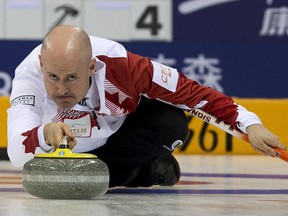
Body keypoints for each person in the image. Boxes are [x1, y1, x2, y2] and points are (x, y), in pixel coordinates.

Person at [7, 25, 286, 188]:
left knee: (171, 123)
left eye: (72, 77)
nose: (61, 89)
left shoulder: (125, 67)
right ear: (42, 66)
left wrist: (251, 125)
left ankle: (139, 170)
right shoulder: (28, 78)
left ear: (92, 67)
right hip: (65, 149)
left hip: (115, 139)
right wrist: (45, 134)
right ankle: (145, 170)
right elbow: (17, 153)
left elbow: (194, 94)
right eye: (53, 77)